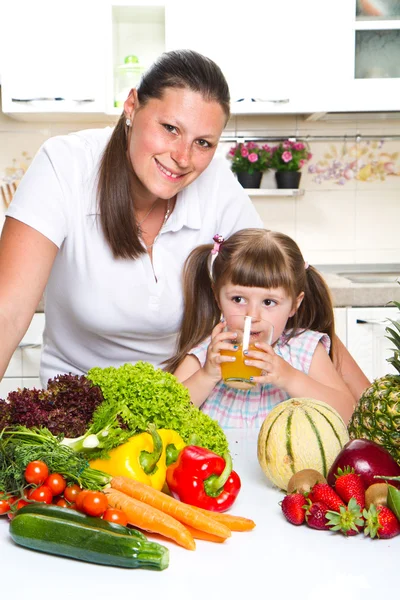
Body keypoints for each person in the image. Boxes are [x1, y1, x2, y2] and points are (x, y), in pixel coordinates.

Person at [0, 49, 369, 400]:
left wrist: (371, 410)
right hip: (80, 411)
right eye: (170, 128)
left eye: (203, 142)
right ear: (132, 106)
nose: (182, 157)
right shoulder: (64, 165)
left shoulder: (217, 186)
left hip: (184, 407)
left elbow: (281, 288)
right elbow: (8, 313)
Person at [166, 229, 361, 426]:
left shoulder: (304, 350)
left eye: (268, 302)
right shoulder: (207, 354)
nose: (252, 315)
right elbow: (163, 418)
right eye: (238, 299)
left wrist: (290, 378)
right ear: (217, 297)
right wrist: (206, 376)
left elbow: (349, 415)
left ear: (295, 304)